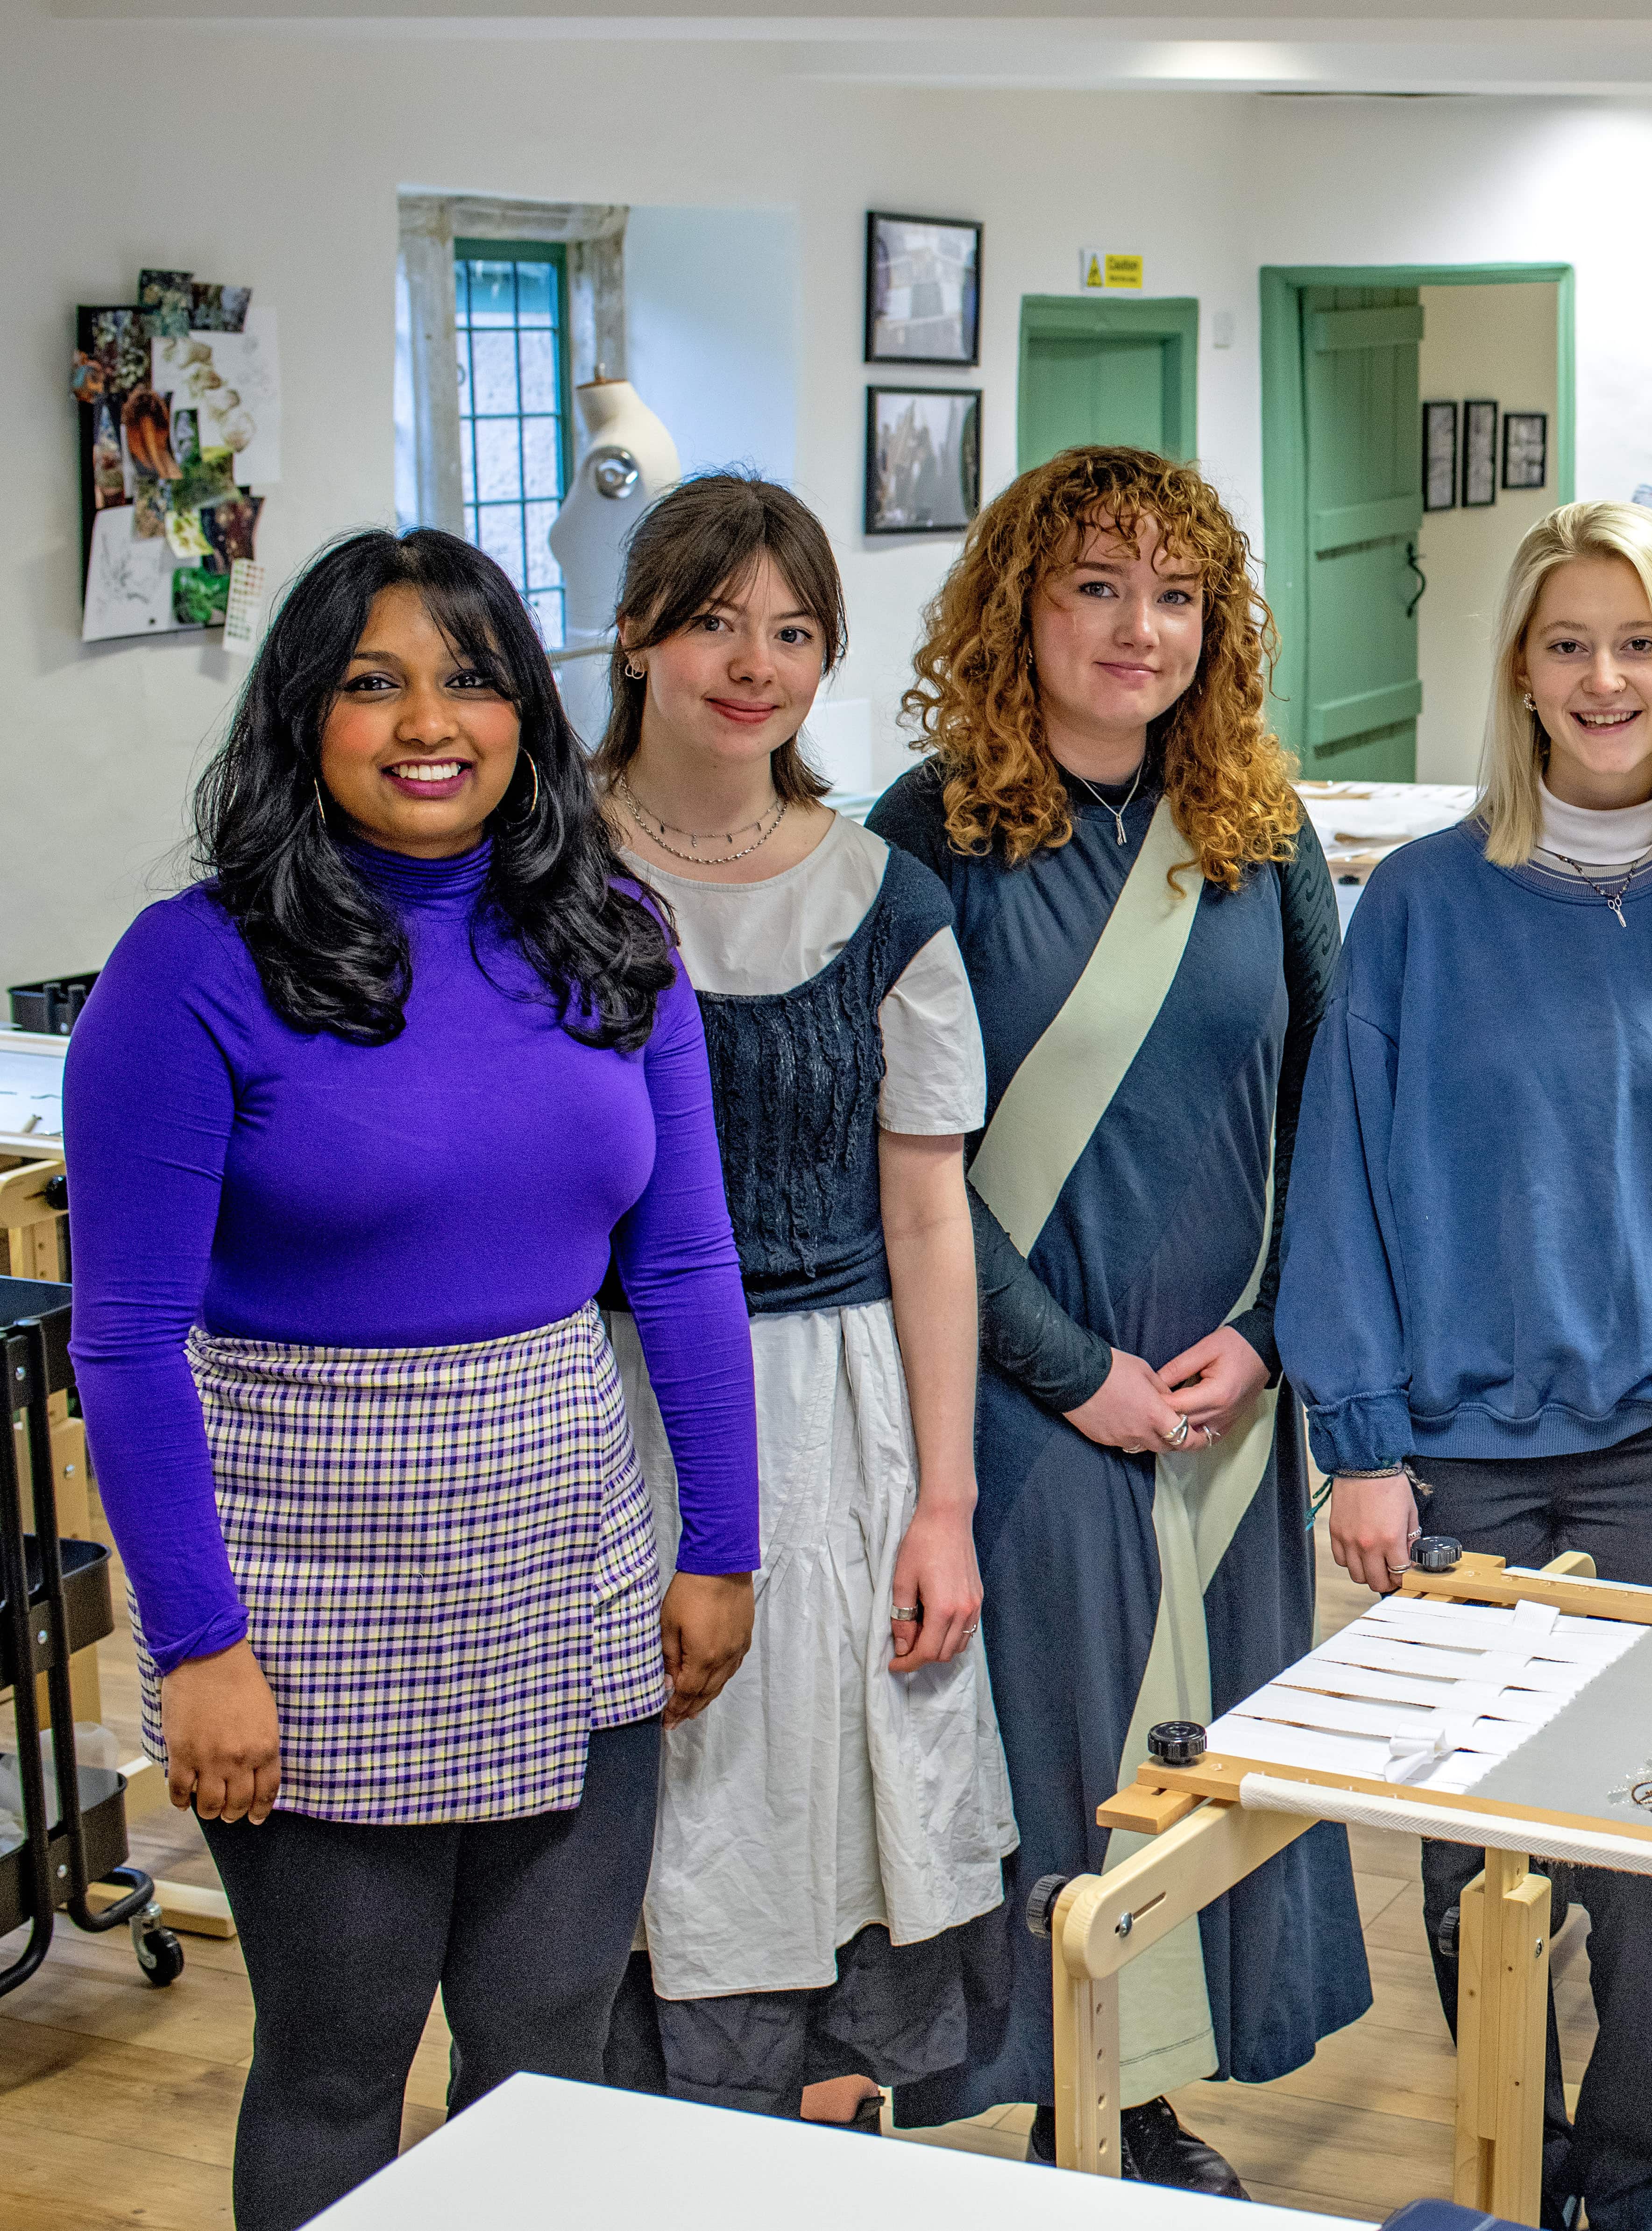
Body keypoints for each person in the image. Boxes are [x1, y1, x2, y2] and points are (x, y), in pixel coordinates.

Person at [62, 529, 759, 2230]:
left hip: (566, 1558)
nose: (426, 720)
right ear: (307, 715)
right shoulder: (190, 967)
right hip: (303, 1590)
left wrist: (721, 1543)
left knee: (550, 2052)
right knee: (335, 2057)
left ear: (526, 710)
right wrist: (204, 1643)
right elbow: (128, 1341)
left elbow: (682, 1264)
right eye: (374, 682)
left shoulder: (614, 933)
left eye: (467, 677)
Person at [1286, 498, 1652, 2231]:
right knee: (1476, 1861)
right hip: (1464, 1456)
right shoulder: (1420, 910)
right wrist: (1358, 1442)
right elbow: (1341, 1189)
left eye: (1639, 640)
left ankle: (1630, 2172)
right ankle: (1514, 2163)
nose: (1604, 677)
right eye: (1570, 641)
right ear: (1519, 666)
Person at [871, 445, 1369, 2183]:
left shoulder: (1263, 829)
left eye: (1175, 594)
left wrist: (1276, 1333)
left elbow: (1336, 1107)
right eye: (1095, 585)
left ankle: (1143, 2103)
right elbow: (904, 1167)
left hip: (1229, 1396)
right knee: (1044, 1759)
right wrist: (1067, 1370)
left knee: (1199, 1763)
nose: (1136, 628)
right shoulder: (925, 838)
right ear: (1020, 604)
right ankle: (1040, 2103)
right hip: (1021, 1404)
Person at [582, 474, 1019, 2130]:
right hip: (599, 1396)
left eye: (791, 629)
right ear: (637, 635)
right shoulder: (538, 869)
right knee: (645, 1815)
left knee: (819, 1808)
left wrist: (947, 1502)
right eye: (712, 621)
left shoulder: (882, 897)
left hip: (832, 1416)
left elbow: (927, 1216)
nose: (750, 661)